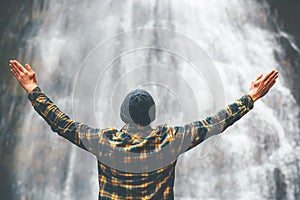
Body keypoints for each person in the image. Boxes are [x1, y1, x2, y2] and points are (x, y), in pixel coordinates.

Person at [9, 59, 278, 199]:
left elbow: (61, 123)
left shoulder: (105, 142)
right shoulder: (171, 140)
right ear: (153, 115)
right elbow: (216, 122)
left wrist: (33, 88)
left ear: (123, 115)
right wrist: (251, 97)